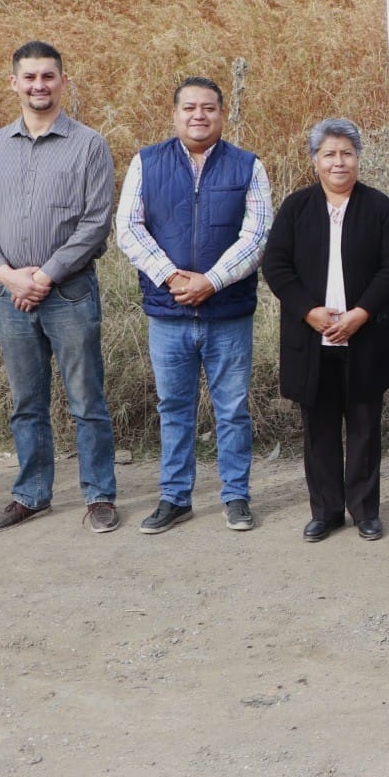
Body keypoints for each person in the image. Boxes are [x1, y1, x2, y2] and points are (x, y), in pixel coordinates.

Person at [0, 41, 120, 534]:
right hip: (11, 296)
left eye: (48, 76)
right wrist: (7, 274)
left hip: (69, 293)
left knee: (86, 399)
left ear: (63, 81)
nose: (39, 85)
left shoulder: (89, 144)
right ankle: (31, 494)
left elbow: (97, 222)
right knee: (26, 402)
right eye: (29, 77)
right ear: (13, 82)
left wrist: (45, 275)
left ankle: (98, 495)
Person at [116, 77, 273, 535]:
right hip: (168, 313)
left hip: (229, 312)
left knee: (232, 409)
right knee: (174, 407)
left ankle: (236, 496)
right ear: (175, 113)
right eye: (189, 107)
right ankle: (175, 496)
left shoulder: (248, 166)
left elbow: (256, 233)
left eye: (208, 107)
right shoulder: (146, 163)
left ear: (222, 115)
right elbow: (128, 228)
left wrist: (212, 281)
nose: (198, 115)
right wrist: (171, 276)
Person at [264, 119, 389, 542]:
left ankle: (365, 510)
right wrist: (309, 311)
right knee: (320, 427)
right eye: (329, 154)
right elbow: (276, 265)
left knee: (365, 425)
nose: (338, 162)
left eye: (346, 153)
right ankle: (326, 511)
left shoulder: (378, 207)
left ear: (358, 158)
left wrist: (361, 313)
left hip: (364, 335)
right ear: (315, 161)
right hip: (311, 337)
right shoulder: (296, 208)